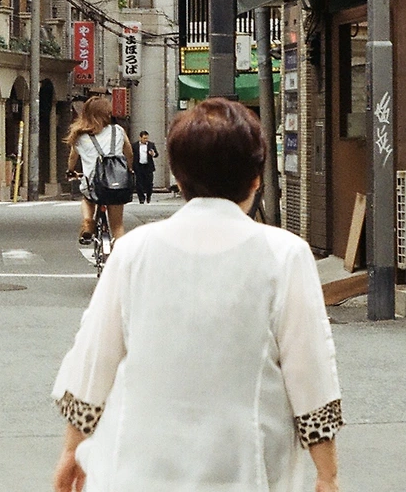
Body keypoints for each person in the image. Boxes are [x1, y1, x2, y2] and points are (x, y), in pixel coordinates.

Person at [51, 98, 342, 492]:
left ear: (178, 176)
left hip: (135, 472)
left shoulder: (135, 250)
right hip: (245, 472)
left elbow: (94, 359)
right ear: (256, 179)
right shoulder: (284, 255)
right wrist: (327, 474)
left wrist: (72, 449)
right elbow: (309, 369)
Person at [64, 96, 134, 244]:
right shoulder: (118, 131)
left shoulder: (80, 136)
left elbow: (72, 158)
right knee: (117, 226)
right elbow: (129, 153)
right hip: (116, 184)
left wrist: (70, 171)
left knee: (87, 198)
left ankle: (88, 222)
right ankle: (119, 253)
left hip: (94, 185)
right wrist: (129, 168)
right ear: (107, 113)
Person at [132, 131, 159, 204]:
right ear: (140, 138)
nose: (146, 140)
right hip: (139, 166)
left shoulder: (151, 144)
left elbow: (156, 154)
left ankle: (148, 195)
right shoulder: (134, 145)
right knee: (139, 183)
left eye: (147, 138)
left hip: (148, 166)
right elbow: (132, 155)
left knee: (149, 183)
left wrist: (153, 154)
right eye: (144, 138)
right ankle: (141, 198)